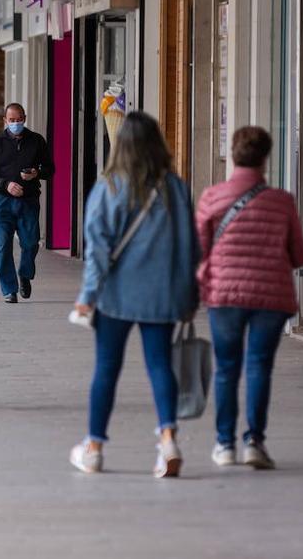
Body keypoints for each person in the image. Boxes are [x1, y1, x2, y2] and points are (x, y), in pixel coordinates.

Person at [68, 112, 199, 478]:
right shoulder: (175, 187)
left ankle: (93, 448)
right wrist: (189, 294)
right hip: (162, 295)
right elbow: (191, 246)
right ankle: (168, 440)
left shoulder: (109, 186)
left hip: (115, 297)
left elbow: (97, 248)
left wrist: (87, 295)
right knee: (160, 365)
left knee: (107, 369)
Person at [196, 126, 303, 470]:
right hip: (270, 298)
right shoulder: (282, 201)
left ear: (234, 155)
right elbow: (300, 255)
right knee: (260, 367)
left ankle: (224, 444)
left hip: (225, 296)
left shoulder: (213, 197)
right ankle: (254, 442)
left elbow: (199, 250)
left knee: (227, 369)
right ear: (265, 158)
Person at [0, 103, 54, 303]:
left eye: (19, 119)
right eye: (11, 120)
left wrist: (36, 173)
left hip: (28, 201)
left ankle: (24, 274)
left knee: (30, 243)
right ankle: (9, 289)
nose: (15, 123)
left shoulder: (37, 141)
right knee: (2, 246)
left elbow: (50, 169)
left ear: (25, 118)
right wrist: (6, 185)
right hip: (3, 202)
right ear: (5, 121)